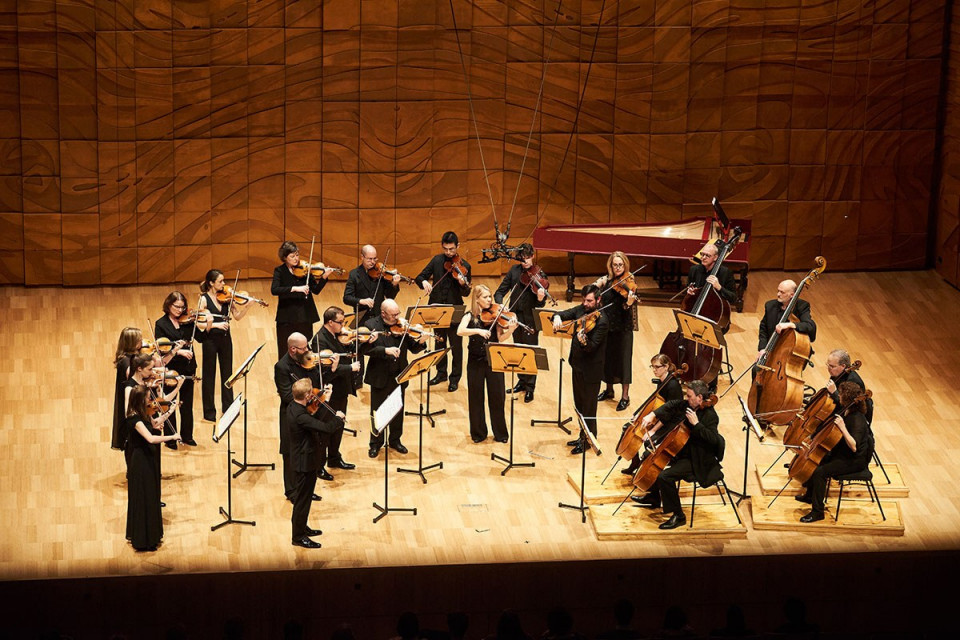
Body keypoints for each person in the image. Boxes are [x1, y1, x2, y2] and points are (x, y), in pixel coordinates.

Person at [630, 379, 724, 530]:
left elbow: (714, 440)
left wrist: (697, 425)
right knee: (649, 455)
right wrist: (653, 414)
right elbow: (672, 404)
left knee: (665, 476)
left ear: (700, 398)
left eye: (690, 396)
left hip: (697, 459)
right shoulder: (688, 406)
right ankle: (654, 497)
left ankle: (679, 515)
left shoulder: (710, 416)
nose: (686, 399)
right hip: (682, 452)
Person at [796, 380, 873, 522]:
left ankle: (817, 511)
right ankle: (810, 496)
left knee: (820, 472)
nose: (839, 396)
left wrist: (843, 428)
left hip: (854, 460)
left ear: (847, 398)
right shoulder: (847, 410)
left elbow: (854, 446)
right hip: (843, 453)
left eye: (841, 394)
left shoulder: (857, 420)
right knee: (817, 459)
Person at [363, 299, 428, 457]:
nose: (397, 317)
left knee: (397, 409)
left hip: (399, 374)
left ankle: (395, 440)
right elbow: (365, 349)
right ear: (383, 313)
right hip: (379, 375)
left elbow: (413, 348)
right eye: (393, 314)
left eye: (398, 313)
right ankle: (375, 443)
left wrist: (421, 340)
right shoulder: (371, 324)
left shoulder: (403, 325)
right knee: (377, 411)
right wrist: (385, 351)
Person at [552, 284, 609, 455]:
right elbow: (565, 313)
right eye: (584, 299)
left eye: (589, 300)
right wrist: (556, 317)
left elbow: (591, 347)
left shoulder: (602, 321)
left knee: (589, 408)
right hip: (577, 366)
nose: (585, 303)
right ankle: (583, 435)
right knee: (579, 405)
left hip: (591, 371)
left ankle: (587, 440)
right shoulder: (581, 310)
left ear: (598, 300)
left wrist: (582, 340)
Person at [457, 284, 517, 443]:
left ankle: (501, 434)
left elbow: (500, 338)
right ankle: (478, 434)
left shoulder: (495, 316)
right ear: (477, 300)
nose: (490, 300)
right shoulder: (469, 316)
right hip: (475, 362)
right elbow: (460, 331)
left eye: (490, 296)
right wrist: (478, 331)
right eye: (486, 297)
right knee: (476, 398)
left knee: (497, 397)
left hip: (494, 360)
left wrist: (510, 330)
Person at [123, 385, 181, 551]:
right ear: (141, 400)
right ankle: (143, 539)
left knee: (151, 496)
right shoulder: (134, 418)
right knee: (143, 497)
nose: (151, 401)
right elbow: (150, 438)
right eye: (149, 398)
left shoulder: (143, 414)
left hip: (148, 459)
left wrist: (171, 410)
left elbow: (155, 423)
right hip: (140, 462)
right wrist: (172, 436)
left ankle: (152, 536)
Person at [288, 379, 343, 549]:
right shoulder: (301, 416)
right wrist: (338, 418)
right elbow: (324, 427)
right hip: (304, 463)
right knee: (302, 501)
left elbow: (314, 416)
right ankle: (298, 537)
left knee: (303, 500)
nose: (313, 394)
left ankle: (302, 528)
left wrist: (325, 398)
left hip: (304, 459)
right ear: (306, 395)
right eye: (311, 392)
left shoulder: (294, 406)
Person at [416, 231, 472, 392]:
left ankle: (455, 378)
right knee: (439, 343)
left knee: (456, 346)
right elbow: (420, 276)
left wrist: (462, 284)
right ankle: (441, 373)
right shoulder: (436, 260)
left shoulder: (465, 266)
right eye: (446, 249)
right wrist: (425, 282)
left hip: (455, 310)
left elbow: (466, 293)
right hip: (437, 309)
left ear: (457, 247)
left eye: (451, 249)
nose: (448, 253)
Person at [155, 291, 210, 448]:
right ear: (169, 305)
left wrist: (209, 324)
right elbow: (161, 347)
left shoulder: (188, 322)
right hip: (170, 369)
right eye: (176, 307)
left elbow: (201, 338)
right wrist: (179, 351)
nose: (180, 310)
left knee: (187, 404)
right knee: (169, 403)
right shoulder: (161, 324)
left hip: (188, 368)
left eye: (182, 307)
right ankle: (171, 439)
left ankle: (187, 436)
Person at [312, 306, 363, 474]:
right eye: (340, 322)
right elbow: (326, 372)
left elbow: (344, 353)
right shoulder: (320, 340)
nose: (343, 325)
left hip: (341, 389)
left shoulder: (337, 335)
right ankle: (319, 466)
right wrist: (350, 367)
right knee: (326, 429)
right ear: (330, 322)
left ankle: (334, 457)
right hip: (329, 391)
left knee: (339, 425)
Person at [494, 243, 547, 403]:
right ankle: (521, 381)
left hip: (531, 319)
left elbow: (541, 305)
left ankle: (530, 388)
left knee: (529, 352)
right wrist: (501, 306)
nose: (525, 262)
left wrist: (540, 298)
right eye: (522, 259)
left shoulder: (540, 274)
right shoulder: (514, 271)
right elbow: (500, 291)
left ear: (532, 256)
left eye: (528, 259)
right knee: (518, 349)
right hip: (514, 318)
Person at [274, 332, 322, 502]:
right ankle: (292, 491)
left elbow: (316, 381)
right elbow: (287, 396)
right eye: (303, 348)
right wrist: (309, 395)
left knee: (308, 451)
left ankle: (306, 490)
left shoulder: (307, 361)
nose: (308, 350)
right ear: (293, 349)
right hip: (292, 416)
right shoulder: (282, 367)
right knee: (290, 453)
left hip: (308, 412)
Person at [197, 269, 249, 423]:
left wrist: (248, 306)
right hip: (210, 341)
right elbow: (199, 323)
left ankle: (228, 409)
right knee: (209, 375)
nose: (224, 284)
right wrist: (216, 326)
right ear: (211, 283)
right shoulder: (204, 300)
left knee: (227, 374)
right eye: (220, 281)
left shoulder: (227, 298)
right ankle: (209, 413)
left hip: (226, 340)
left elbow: (237, 317)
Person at [621, 354, 684, 476]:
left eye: (657, 367)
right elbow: (657, 405)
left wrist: (653, 430)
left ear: (666, 367)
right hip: (661, 417)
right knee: (627, 428)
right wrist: (639, 415)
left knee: (648, 442)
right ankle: (635, 462)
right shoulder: (663, 382)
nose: (654, 370)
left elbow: (671, 413)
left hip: (671, 423)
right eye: (652, 367)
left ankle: (645, 473)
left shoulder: (672, 386)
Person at [272, 241, 334, 358]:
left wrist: (324, 278)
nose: (296, 259)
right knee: (284, 350)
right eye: (292, 256)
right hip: (286, 317)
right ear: (285, 257)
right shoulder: (279, 271)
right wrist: (295, 288)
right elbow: (274, 290)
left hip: (304, 316)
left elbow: (315, 290)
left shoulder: (305, 270)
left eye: (297, 255)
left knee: (305, 351)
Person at [594, 251, 637, 411]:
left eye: (620, 264)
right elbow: (595, 294)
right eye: (615, 265)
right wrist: (597, 285)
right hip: (608, 326)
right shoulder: (607, 280)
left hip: (623, 328)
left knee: (624, 361)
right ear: (610, 266)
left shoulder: (630, 283)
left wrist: (630, 302)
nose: (618, 267)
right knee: (608, 359)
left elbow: (627, 308)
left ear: (625, 265)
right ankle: (609, 390)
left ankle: (625, 396)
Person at [756, 279, 816, 361]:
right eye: (778, 291)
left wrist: (791, 324)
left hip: (792, 353)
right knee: (756, 369)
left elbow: (810, 326)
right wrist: (763, 348)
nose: (778, 294)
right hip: (772, 349)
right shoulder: (770, 306)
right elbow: (763, 329)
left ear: (792, 295)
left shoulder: (802, 306)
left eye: (782, 292)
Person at [343, 244, 401, 325]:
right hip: (362, 318)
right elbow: (347, 298)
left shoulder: (381, 274)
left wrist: (394, 285)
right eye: (370, 259)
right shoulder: (354, 274)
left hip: (380, 317)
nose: (373, 262)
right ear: (362, 257)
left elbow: (390, 296)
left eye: (375, 259)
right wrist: (361, 301)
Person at [112, 327, 143, 451]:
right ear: (133, 342)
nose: (143, 342)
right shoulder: (126, 362)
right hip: (132, 403)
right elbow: (134, 380)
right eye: (139, 339)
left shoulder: (128, 358)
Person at [825, 348, 873, 424]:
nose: (829, 368)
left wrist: (834, 393)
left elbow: (847, 407)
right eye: (828, 365)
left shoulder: (852, 382)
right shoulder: (837, 373)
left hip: (849, 419)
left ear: (843, 366)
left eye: (832, 366)